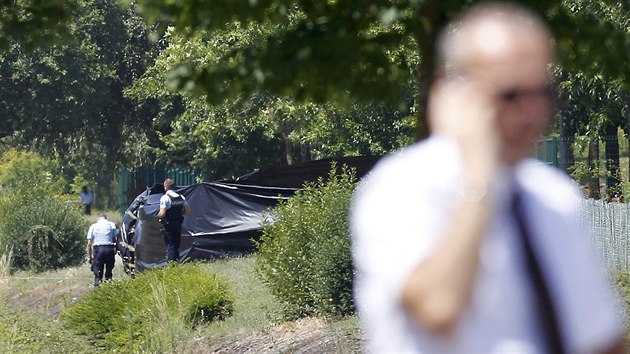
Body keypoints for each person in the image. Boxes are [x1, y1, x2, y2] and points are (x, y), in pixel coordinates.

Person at [350, 2, 625, 353]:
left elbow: (600, 339)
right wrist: (480, 175)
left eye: (541, 92)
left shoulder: (554, 195)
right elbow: (438, 306)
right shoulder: (400, 188)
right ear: (451, 89)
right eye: (509, 95)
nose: (532, 113)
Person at [158, 178, 191, 262]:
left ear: (165, 187)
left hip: (169, 225)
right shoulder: (181, 197)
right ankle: (176, 264)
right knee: (176, 246)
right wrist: (178, 214)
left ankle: (171, 266)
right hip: (178, 224)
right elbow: (188, 212)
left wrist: (157, 216)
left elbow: (162, 213)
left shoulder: (165, 198)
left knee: (170, 245)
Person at [86, 213, 118, 287]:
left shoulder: (93, 226)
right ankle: (109, 287)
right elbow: (115, 239)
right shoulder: (111, 224)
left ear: (98, 219)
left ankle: (97, 289)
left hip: (98, 249)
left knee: (98, 273)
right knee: (109, 271)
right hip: (109, 248)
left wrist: (90, 257)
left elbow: (89, 243)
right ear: (106, 218)